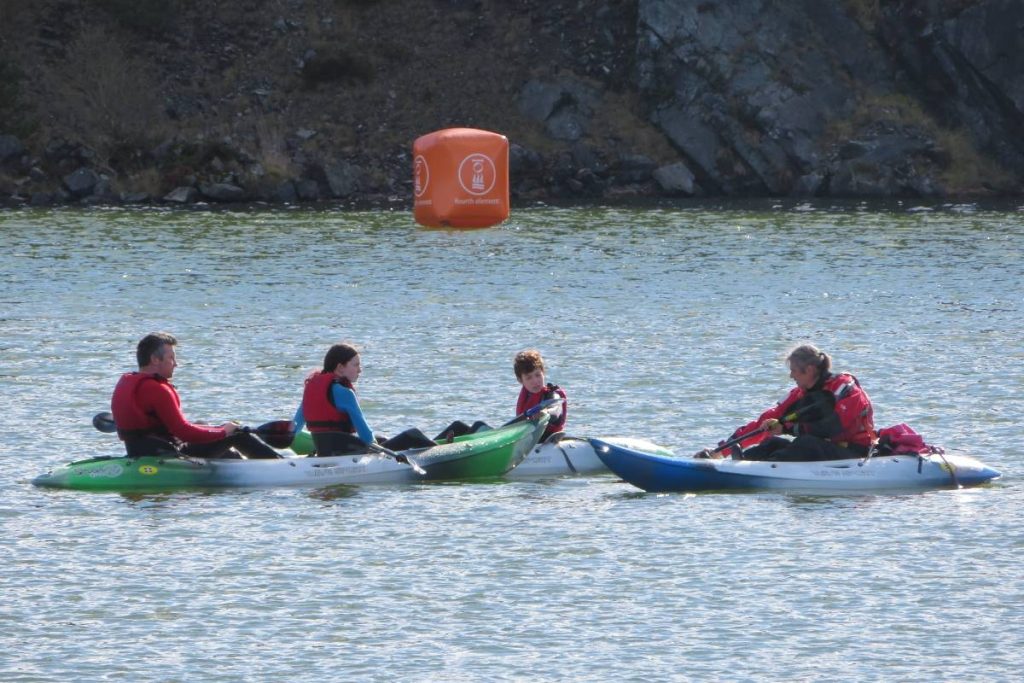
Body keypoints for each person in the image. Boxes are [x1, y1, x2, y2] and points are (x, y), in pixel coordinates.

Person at [110, 332, 280, 459]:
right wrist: (224, 432)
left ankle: (235, 463)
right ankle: (281, 466)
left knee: (202, 424)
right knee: (237, 434)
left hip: (139, 449)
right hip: (168, 453)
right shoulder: (158, 390)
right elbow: (184, 433)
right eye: (171, 358)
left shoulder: (126, 382)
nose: (176, 364)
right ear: (155, 359)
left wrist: (217, 430)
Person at [697, 344, 875, 462]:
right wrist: (721, 450)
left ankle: (761, 470)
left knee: (805, 443)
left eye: (794, 371)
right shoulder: (799, 394)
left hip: (854, 453)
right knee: (771, 442)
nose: (791, 376)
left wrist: (787, 428)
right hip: (822, 451)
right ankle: (739, 463)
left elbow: (832, 428)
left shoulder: (846, 390)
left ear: (810, 370)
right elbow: (765, 421)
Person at [293, 343, 434, 457]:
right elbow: (367, 438)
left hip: (325, 453)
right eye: (355, 365)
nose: (360, 370)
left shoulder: (311, 390)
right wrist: (379, 452)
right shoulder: (345, 393)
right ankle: (447, 454)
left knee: (382, 438)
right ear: (340, 367)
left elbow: (295, 428)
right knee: (413, 435)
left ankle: (440, 445)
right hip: (349, 455)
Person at [513, 349, 567, 441]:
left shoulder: (552, 394)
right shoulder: (526, 397)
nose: (535, 381)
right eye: (529, 377)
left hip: (549, 439)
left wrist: (546, 413)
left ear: (543, 373)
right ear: (520, 380)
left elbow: (556, 411)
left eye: (537, 375)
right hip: (529, 441)